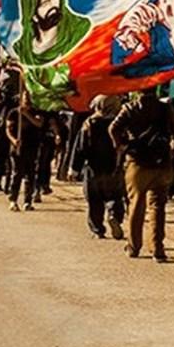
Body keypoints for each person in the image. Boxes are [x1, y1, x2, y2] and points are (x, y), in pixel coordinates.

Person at [109, 87, 174, 262]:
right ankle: (157, 249)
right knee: (158, 206)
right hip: (162, 162)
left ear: (138, 90)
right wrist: (170, 153)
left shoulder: (130, 108)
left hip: (137, 162)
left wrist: (121, 146)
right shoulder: (165, 108)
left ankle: (134, 247)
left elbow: (113, 128)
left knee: (136, 204)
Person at [70, 95, 126, 239]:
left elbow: (80, 148)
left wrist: (74, 168)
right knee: (115, 196)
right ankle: (114, 216)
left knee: (94, 200)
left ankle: (98, 230)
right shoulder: (119, 123)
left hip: (93, 168)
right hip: (114, 167)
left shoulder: (89, 123)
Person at [5, 91, 45, 212]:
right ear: (21, 99)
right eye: (25, 98)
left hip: (32, 147)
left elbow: (39, 123)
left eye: (29, 98)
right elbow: (8, 129)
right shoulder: (13, 113)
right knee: (17, 174)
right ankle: (13, 200)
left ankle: (28, 201)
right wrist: (13, 140)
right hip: (17, 148)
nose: (27, 100)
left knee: (30, 175)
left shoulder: (36, 112)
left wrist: (26, 114)